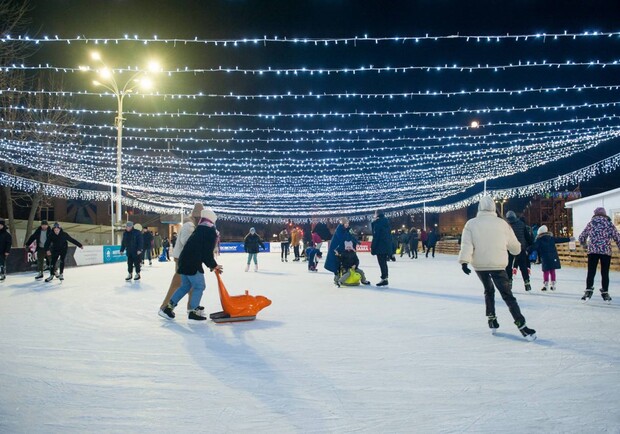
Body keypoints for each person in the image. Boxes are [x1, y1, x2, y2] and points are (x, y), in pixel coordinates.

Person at [458, 196, 537, 341]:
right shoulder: (502, 224)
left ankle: (491, 318)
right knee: (507, 295)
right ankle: (522, 326)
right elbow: (514, 246)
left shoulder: (471, 224)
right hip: (498, 265)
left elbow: (466, 245)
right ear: (494, 207)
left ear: (480, 208)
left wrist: (464, 262)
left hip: (480, 265)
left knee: (488, 290)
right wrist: (518, 251)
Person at [159, 208, 222, 321]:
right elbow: (206, 252)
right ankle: (193, 310)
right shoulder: (210, 231)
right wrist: (214, 265)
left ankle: (168, 308)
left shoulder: (199, 229)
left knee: (185, 286)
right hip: (193, 263)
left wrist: (212, 265)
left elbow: (200, 250)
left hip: (183, 261)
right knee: (199, 286)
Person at [160, 203, 203, 315]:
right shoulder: (189, 225)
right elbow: (187, 242)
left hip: (186, 258)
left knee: (191, 285)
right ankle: (165, 307)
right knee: (178, 284)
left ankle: (191, 308)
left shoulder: (192, 225)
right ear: (197, 216)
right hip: (183, 259)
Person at [578, 207, 620, 303]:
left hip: (592, 251)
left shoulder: (591, 223)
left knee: (591, 271)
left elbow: (581, 237)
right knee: (605, 273)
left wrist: (584, 245)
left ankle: (588, 290)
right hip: (606, 252)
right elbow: (617, 237)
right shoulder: (609, 224)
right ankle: (605, 291)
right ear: (604, 214)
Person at [528, 225, 571, 292]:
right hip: (553, 257)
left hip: (545, 258)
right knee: (552, 271)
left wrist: (527, 250)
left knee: (546, 271)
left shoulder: (539, 240)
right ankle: (553, 285)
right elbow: (559, 240)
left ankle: (545, 285)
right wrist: (569, 239)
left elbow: (534, 247)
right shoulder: (551, 238)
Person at [505, 211, 534, 291]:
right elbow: (527, 237)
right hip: (520, 247)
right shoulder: (521, 224)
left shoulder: (506, 225)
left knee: (508, 266)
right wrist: (530, 245)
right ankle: (526, 282)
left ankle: (509, 281)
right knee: (523, 266)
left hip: (509, 248)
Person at [325, 217, 356, 283]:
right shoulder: (339, 229)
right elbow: (343, 238)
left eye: (348, 223)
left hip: (342, 249)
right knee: (336, 263)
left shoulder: (348, 229)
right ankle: (337, 277)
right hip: (336, 249)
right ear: (343, 223)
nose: (347, 224)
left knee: (342, 263)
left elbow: (353, 236)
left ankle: (341, 277)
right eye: (346, 223)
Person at [371, 209, 392, 287]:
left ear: (377, 215)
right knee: (384, 263)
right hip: (386, 246)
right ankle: (385, 278)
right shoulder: (386, 222)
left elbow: (376, 236)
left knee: (382, 263)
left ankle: (384, 278)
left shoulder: (377, 223)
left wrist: (373, 247)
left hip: (380, 246)